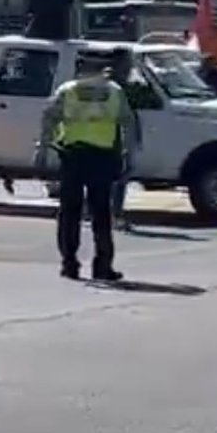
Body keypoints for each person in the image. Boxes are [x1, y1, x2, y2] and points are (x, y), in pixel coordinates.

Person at [35, 52, 136, 281]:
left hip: (73, 156)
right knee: (101, 212)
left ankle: (69, 264)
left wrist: (42, 148)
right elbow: (128, 123)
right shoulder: (114, 91)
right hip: (102, 157)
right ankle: (103, 266)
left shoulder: (67, 90)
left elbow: (49, 118)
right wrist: (128, 155)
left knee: (69, 212)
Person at [107, 48, 143, 232]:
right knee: (116, 179)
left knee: (119, 178)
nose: (130, 67)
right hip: (113, 138)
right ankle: (114, 215)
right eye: (128, 62)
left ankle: (112, 214)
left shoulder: (126, 85)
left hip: (124, 137)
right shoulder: (113, 86)